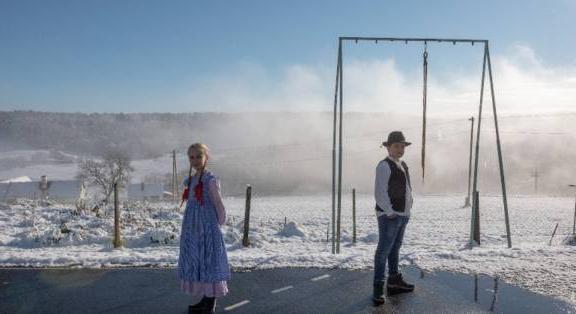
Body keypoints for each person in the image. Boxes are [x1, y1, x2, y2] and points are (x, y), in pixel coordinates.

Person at [178, 143, 230, 313]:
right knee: (198, 260)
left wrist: (219, 221)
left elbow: (217, 202)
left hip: (207, 226)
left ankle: (210, 302)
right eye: (191, 157)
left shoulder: (210, 179)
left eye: (198, 156)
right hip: (193, 228)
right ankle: (205, 299)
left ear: (206, 157)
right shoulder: (192, 180)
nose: (195, 160)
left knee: (209, 261)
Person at [373, 131, 415, 305]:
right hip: (390, 215)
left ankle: (393, 282)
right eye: (396, 146)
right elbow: (380, 192)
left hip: (402, 215)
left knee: (395, 249)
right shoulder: (384, 165)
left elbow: (406, 189)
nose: (400, 149)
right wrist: (389, 211)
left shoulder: (402, 164)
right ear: (388, 147)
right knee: (383, 251)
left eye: (402, 146)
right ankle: (378, 289)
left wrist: (408, 209)